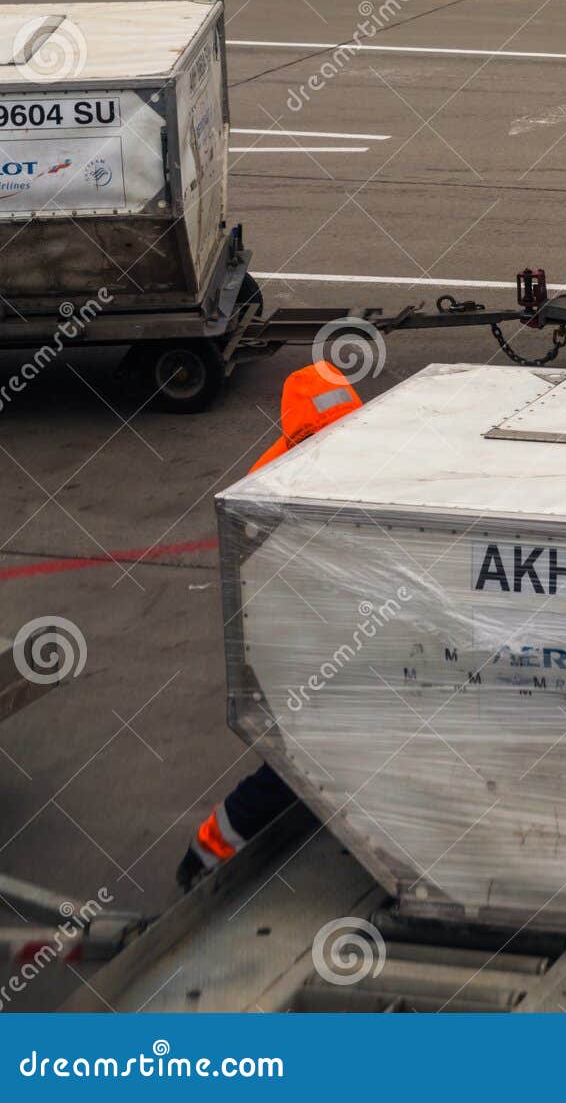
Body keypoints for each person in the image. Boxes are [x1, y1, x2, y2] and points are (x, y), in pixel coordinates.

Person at [176, 362, 362, 891]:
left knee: (312, 754)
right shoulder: (282, 490)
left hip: (316, 633)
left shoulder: (293, 470)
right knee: (297, 761)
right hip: (300, 645)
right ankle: (205, 854)